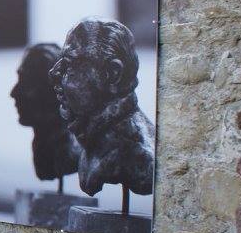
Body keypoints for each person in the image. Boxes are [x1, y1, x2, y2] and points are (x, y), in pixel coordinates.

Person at [50, 18, 155, 199]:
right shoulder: (91, 142)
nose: (54, 73)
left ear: (112, 73)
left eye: (70, 64)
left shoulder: (141, 155)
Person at [10, 43, 81, 187]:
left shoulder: (75, 153)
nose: (14, 93)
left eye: (27, 83)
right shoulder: (44, 149)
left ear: (53, 93)